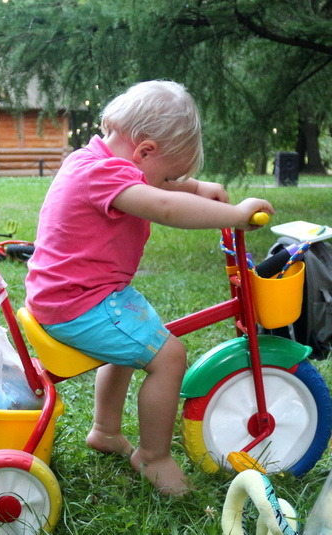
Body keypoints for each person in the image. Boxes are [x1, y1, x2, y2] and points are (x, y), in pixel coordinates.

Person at [25, 80, 273, 495]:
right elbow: (161, 204)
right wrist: (232, 214)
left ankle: (105, 431)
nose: (170, 181)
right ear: (144, 151)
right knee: (169, 356)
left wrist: (195, 187)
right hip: (79, 304)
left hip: (72, 295)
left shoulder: (96, 161)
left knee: (128, 346)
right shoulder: (103, 174)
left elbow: (153, 185)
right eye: (171, 173)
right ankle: (153, 457)